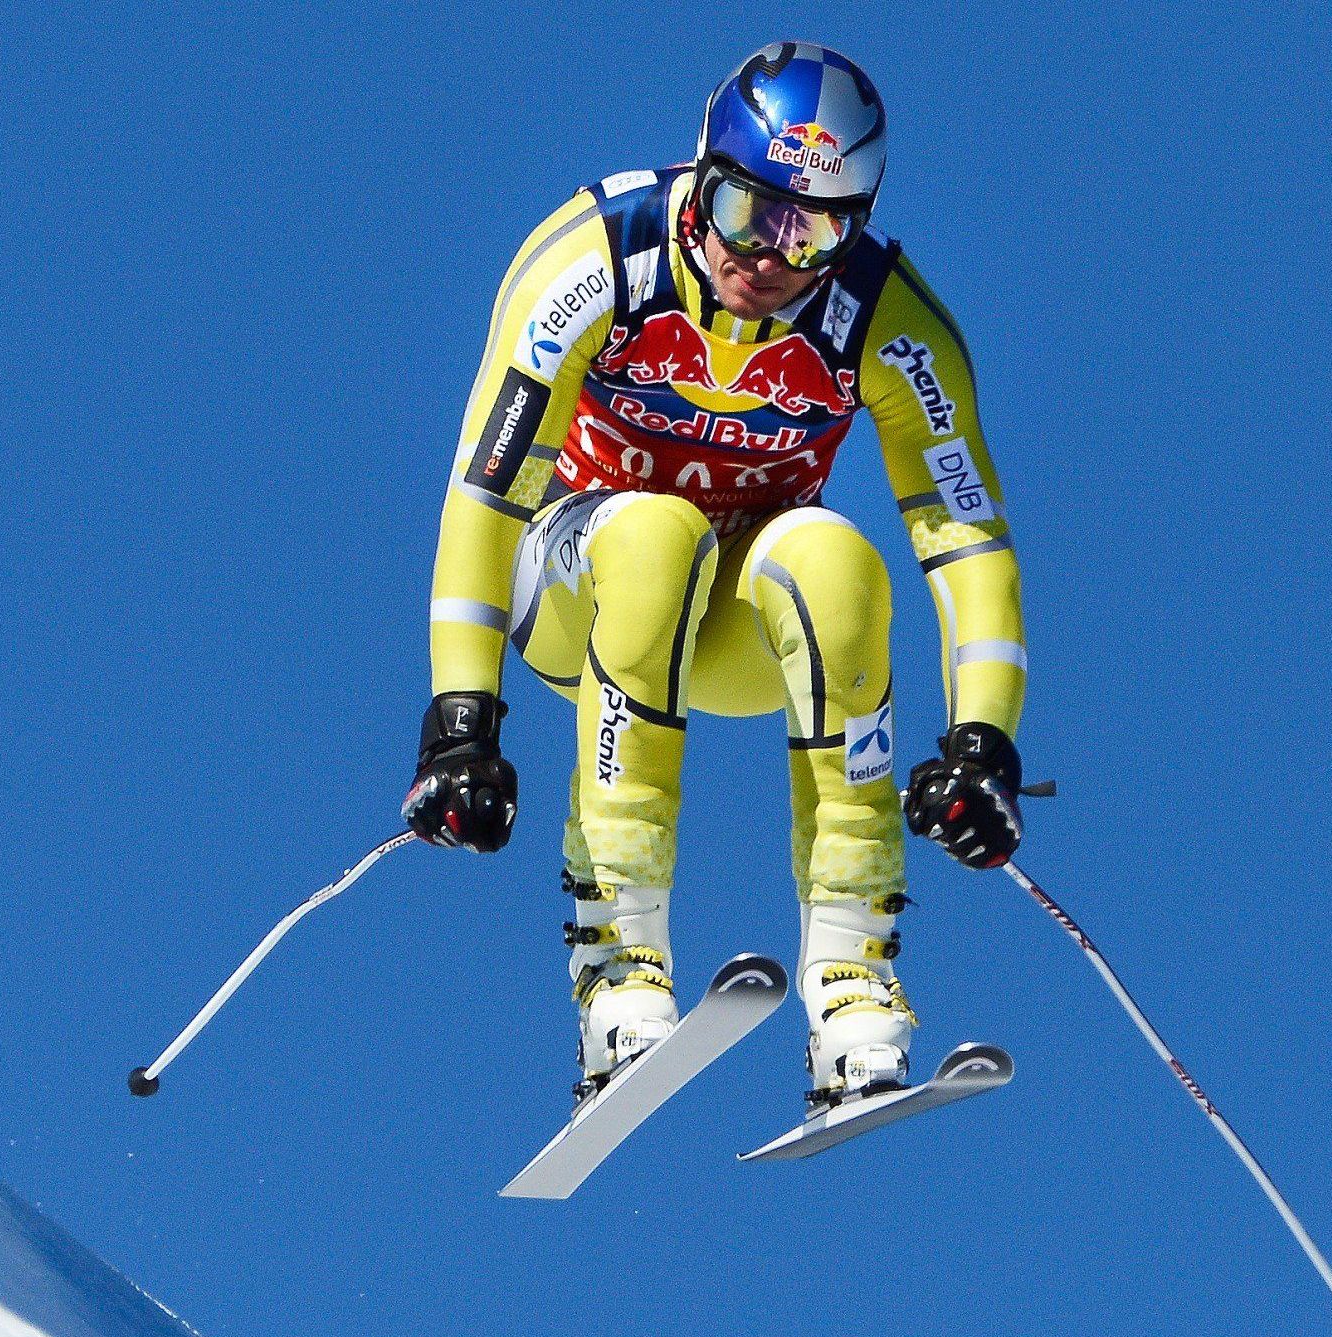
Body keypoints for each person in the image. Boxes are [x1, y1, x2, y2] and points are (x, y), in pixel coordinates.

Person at [403, 42, 1027, 1110]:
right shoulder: (603, 258)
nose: (773, 255)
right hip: (578, 588)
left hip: (732, 621)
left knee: (836, 557)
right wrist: (461, 717)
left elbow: (964, 539)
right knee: (653, 533)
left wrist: (983, 742)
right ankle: (616, 967)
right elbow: (486, 493)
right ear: (703, 171)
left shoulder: (884, 321)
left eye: (814, 229)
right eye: (748, 210)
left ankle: (853, 976)